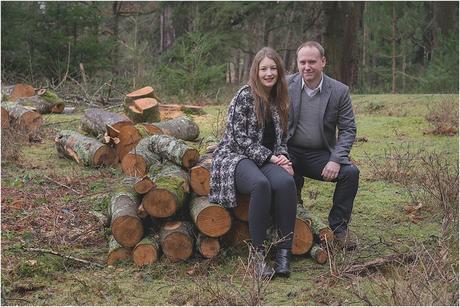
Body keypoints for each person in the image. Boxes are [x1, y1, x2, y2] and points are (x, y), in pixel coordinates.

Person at [209, 47, 297, 278]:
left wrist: (283, 159)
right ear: (256, 71)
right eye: (263, 68)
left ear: (279, 70)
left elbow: (282, 139)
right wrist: (271, 157)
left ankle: (283, 253)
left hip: (266, 157)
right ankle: (257, 257)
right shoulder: (244, 96)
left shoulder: (280, 99)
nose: (269, 73)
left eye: (273, 68)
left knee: (287, 182)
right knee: (261, 184)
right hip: (235, 156)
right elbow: (239, 138)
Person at [286, 41, 360, 250]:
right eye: (302, 62)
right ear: (297, 63)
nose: (307, 67)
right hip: (288, 151)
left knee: (350, 173)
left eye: (312, 61)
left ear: (323, 62)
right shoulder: (284, 85)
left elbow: (348, 129)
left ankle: (339, 227)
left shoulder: (339, 91)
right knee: (280, 178)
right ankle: (291, 214)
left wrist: (336, 159)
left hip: (320, 154)